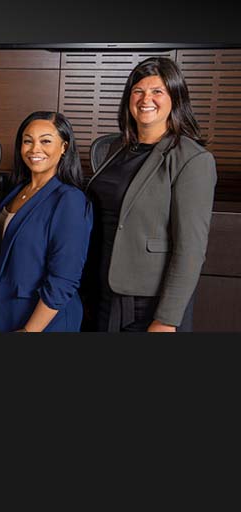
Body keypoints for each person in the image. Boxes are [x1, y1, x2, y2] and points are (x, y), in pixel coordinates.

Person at [85, 57, 216, 332]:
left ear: (175, 98)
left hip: (148, 302)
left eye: (158, 91)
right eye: (138, 91)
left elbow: (190, 250)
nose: (146, 99)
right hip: (104, 291)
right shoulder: (117, 150)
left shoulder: (191, 159)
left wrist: (167, 319)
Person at [0, 111, 92, 332]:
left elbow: (64, 278)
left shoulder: (69, 200)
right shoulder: (17, 191)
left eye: (46, 141)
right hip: (8, 312)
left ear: (64, 146)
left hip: (44, 322)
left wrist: (31, 330)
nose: (35, 149)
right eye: (28, 141)